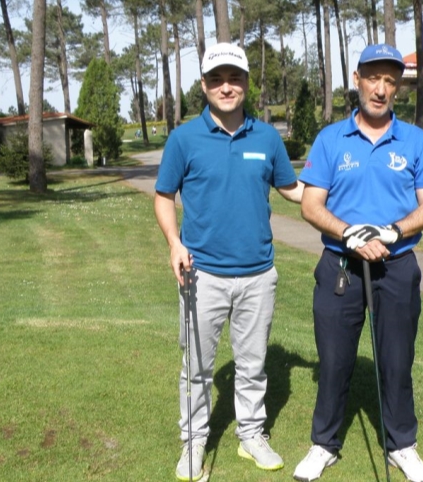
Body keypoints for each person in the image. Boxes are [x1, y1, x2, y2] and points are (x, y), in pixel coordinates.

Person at [293, 44, 423, 482]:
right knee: (335, 360)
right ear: (357, 78)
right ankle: (324, 444)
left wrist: (394, 230)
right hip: (339, 266)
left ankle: (402, 446)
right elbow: (311, 204)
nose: (380, 89)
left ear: (397, 86)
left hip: (396, 266)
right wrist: (349, 232)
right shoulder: (330, 139)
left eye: (390, 81)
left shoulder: (415, 140)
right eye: (373, 78)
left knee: (397, 361)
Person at [154, 42, 303, 482]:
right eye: (216, 79)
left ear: (246, 83)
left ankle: (251, 435)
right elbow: (164, 197)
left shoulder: (267, 137)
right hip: (203, 275)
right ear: (204, 85)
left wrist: (336, 191)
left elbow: (292, 190)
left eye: (234, 78)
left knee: (253, 365)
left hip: (259, 273)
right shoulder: (184, 138)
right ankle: (194, 442)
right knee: (196, 367)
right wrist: (173, 243)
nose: (226, 87)